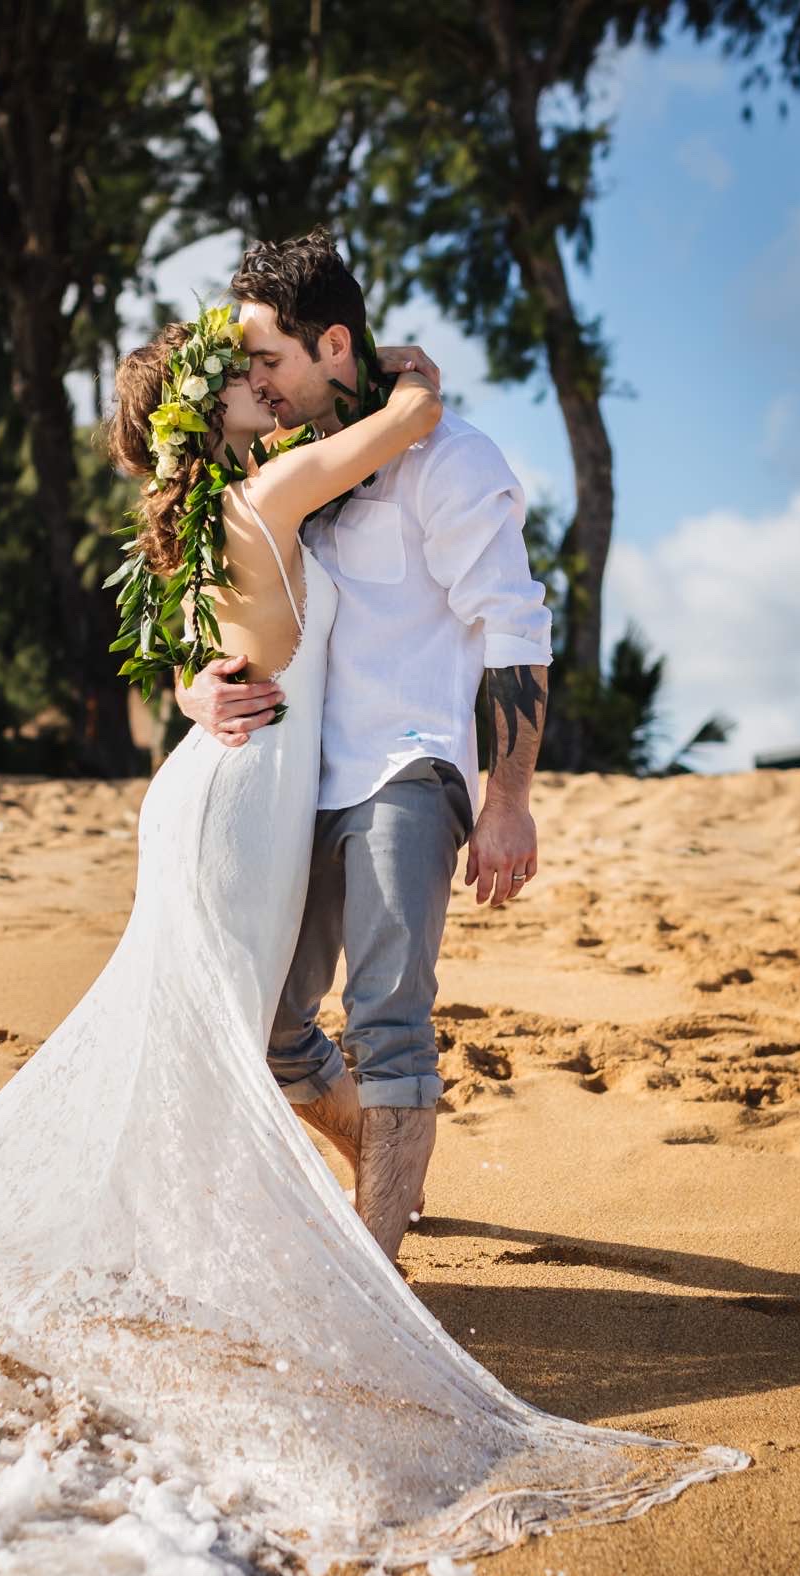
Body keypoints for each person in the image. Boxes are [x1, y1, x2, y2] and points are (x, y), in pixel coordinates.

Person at [0, 303, 745, 1568]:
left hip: (242, 784)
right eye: (237, 379)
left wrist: (199, 685)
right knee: (229, 1037)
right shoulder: (275, 487)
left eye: (262, 365)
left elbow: (209, 653)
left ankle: (199, 1263)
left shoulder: (212, 518)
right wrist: (410, 374)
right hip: (247, 799)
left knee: (224, 1036)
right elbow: (410, 418)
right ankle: (228, 1275)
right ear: (204, 417)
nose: (258, 386)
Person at [175, 229, 553, 1265]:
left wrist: (507, 798)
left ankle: (375, 1275)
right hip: (289, 787)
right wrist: (194, 682)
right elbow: (222, 616)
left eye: (270, 363)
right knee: (272, 1028)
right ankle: (373, 1158)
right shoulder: (293, 466)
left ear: (334, 344)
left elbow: (514, 628)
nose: (258, 383)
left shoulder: (451, 456)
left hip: (406, 768)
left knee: (386, 1020)